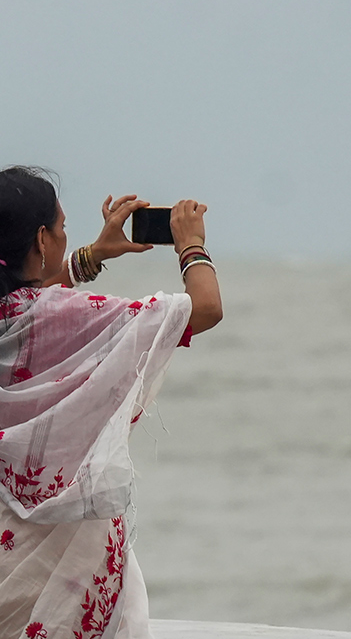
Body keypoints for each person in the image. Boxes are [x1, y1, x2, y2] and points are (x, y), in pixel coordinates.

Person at [0, 166, 222, 637]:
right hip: (55, 557)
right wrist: (191, 245)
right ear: (41, 240)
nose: (65, 235)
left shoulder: (21, 320)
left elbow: (30, 306)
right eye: (61, 228)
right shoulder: (53, 318)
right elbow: (204, 308)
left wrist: (94, 255)